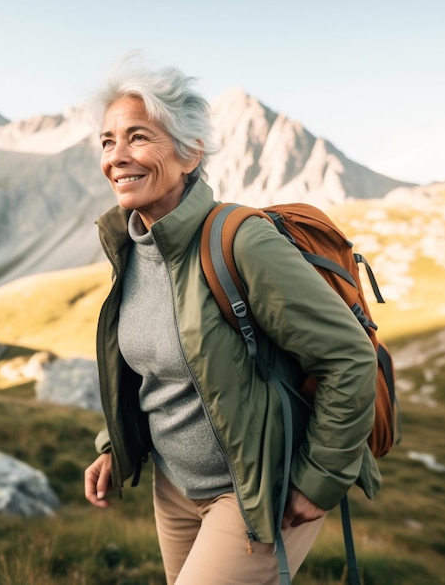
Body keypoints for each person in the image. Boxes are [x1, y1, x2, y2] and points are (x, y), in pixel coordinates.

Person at [84, 53, 381, 585]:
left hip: (254, 490)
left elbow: (348, 356)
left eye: (138, 137)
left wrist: (320, 480)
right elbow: (151, 367)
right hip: (174, 490)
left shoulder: (241, 241)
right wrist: (114, 443)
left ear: (191, 151)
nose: (117, 156)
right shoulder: (130, 247)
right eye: (108, 141)